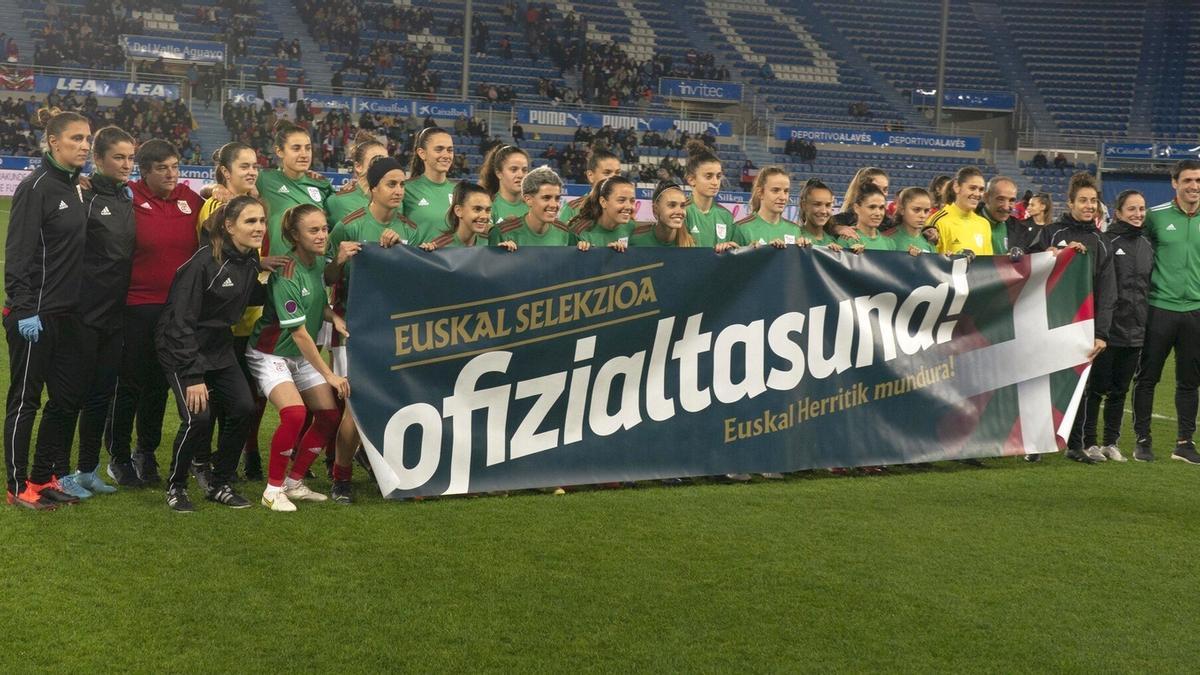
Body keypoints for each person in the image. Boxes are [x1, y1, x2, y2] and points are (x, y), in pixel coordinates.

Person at [3, 109, 92, 509]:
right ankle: (18, 484)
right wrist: (22, 310)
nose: (85, 146)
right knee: (25, 401)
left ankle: (44, 476)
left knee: (66, 399)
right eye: (76, 139)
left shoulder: (74, 187)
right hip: (34, 317)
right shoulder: (35, 187)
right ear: (54, 142)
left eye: (87, 139)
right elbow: (18, 254)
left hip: (68, 315)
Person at [156, 195, 265, 511]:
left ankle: (221, 484)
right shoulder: (204, 263)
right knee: (199, 418)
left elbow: (247, 296)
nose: (258, 227)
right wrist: (192, 375)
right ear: (230, 226)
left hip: (219, 346)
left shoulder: (250, 259)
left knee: (244, 408)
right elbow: (179, 323)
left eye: (260, 221)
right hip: (181, 346)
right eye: (250, 221)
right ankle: (176, 487)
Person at [110, 139, 204, 486]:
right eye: (162, 167)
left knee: (158, 387)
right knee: (129, 385)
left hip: (177, 313)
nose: (171, 173)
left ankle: (145, 453)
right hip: (136, 308)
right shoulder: (128, 197)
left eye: (175, 166)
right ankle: (118, 457)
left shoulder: (190, 199)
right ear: (144, 170)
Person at [324, 157, 415, 504]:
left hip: (395, 328)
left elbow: (417, 277)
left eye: (402, 184)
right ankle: (341, 478)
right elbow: (325, 279)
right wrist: (339, 260)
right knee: (356, 406)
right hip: (355, 327)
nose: (398, 190)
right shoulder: (348, 226)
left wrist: (402, 250)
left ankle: (387, 472)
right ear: (372, 188)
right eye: (391, 184)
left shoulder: (409, 229)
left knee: (393, 403)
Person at [247, 204, 348, 511]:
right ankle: (273, 490)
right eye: (313, 230)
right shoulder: (286, 272)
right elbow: (300, 333)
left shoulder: (318, 263)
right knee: (294, 414)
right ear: (294, 234)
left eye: (324, 229)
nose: (322, 236)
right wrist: (329, 375)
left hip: (299, 355)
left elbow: (316, 301)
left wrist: (332, 316)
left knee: (329, 415)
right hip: (270, 353)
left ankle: (295, 482)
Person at [61, 126, 137, 497]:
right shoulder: (82, 194)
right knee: (70, 396)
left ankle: (87, 469)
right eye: (118, 157)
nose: (126, 164)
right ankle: (58, 472)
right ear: (99, 159)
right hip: (81, 313)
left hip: (115, 316)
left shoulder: (128, 197)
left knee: (101, 396)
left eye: (130, 157)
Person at [198, 141, 280, 480]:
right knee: (217, 400)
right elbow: (216, 261)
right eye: (243, 166)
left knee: (245, 397)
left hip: (251, 318)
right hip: (220, 320)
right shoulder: (215, 206)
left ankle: (227, 458)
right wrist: (258, 262)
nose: (251, 172)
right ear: (225, 172)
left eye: (254, 166)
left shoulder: (253, 203)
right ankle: (203, 462)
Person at [1038, 172, 1115, 463]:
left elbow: (1108, 293)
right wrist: (1051, 255)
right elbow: (1026, 268)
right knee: (1045, 382)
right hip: (1049, 321)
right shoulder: (1052, 233)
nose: (1089, 206)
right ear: (1069, 202)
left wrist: (1101, 333)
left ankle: (1076, 445)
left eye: (1093, 201)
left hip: (1084, 326)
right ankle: (1037, 443)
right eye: (1082, 200)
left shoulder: (1102, 241)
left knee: (1080, 386)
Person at [1132, 159, 1200, 464]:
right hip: (1159, 309)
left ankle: (1184, 443)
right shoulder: (1155, 218)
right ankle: (1142, 441)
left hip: (1195, 312)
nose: (1194, 186)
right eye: (1188, 180)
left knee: (1189, 381)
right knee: (1147, 379)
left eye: (1198, 180)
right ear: (1175, 183)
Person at [1082, 190, 1151, 463]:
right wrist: (1100, 327)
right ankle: (1089, 442)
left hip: (1136, 330)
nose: (1138, 214)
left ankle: (1111, 442)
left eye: (1142, 208)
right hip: (1108, 330)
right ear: (1119, 212)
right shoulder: (1108, 242)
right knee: (1096, 388)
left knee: (1120, 390)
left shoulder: (1147, 244)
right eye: (1132, 209)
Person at [256, 121, 333, 255]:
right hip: (281, 268)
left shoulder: (321, 183)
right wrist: (215, 189)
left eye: (308, 148)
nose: (304, 154)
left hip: (316, 269)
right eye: (296, 148)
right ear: (279, 151)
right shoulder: (265, 179)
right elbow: (232, 186)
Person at [490, 166, 587, 249]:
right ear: (528, 200)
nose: (554, 205)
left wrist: (584, 247)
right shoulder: (502, 233)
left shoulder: (565, 232)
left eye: (557, 198)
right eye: (546, 198)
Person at [404, 127, 458, 244]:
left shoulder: (459, 191)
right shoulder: (405, 190)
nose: (446, 155)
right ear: (422, 153)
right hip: (419, 261)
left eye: (450, 150)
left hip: (454, 261)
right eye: (439, 149)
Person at [732, 167, 803, 250]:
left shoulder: (794, 230)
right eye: (775, 190)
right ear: (760, 193)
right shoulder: (742, 228)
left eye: (786, 191)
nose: (783, 197)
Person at [326, 131, 387, 224]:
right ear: (358, 167)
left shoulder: (397, 202)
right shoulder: (337, 202)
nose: (384, 166)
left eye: (387, 161)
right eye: (376, 160)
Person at [928, 166, 991, 256]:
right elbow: (928, 263)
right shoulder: (938, 221)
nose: (977, 194)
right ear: (957, 187)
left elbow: (986, 264)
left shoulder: (984, 224)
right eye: (972, 188)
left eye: (981, 189)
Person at [683, 140, 734, 248]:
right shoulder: (682, 212)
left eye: (718, 176)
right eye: (708, 176)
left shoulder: (726, 216)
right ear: (691, 179)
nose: (715, 182)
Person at [421, 182, 499, 250]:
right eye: (477, 209)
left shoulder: (491, 244)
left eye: (488, 210)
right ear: (458, 211)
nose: (484, 216)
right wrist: (425, 254)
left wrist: (506, 252)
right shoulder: (439, 247)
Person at [568, 176, 638, 250]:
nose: (628, 206)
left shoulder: (632, 227)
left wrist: (617, 254)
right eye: (621, 200)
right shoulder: (578, 232)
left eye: (632, 201)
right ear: (603, 202)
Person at [558, 145, 621, 225]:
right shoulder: (572, 209)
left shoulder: (624, 209)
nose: (614, 177)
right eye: (607, 173)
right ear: (590, 176)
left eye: (618, 173)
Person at [629, 183, 695, 247]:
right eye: (672, 205)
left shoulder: (691, 243)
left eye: (682, 206)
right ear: (655, 209)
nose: (679, 211)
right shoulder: (635, 240)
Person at [479, 144, 530, 225]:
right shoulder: (488, 205)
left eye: (524, 170)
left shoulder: (534, 206)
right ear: (498, 173)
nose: (520, 175)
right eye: (514, 169)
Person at [838, 182, 895, 252]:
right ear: (856, 208)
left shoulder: (889, 243)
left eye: (881, 207)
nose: (878, 213)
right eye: (872, 207)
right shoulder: (847, 239)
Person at [833, 167, 890, 236]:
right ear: (862, 189)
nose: (882, 194)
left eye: (885, 189)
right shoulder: (839, 222)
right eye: (876, 188)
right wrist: (836, 228)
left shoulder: (889, 224)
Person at [975, 176, 1022, 254]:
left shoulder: (1019, 229)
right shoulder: (965, 223)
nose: (1006, 207)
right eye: (1001, 199)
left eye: (1012, 200)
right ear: (986, 197)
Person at [796, 178, 844, 250]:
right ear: (803, 205)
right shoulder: (795, 236)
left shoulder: (836, 241)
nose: (823, 211)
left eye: (828, 205)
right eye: (817, 204)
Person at [888, 187, 937, 255]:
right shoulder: (888, 239)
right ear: (902, 209)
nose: (922, 215)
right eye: (916, 210)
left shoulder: (929, 240)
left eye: (926, 211)